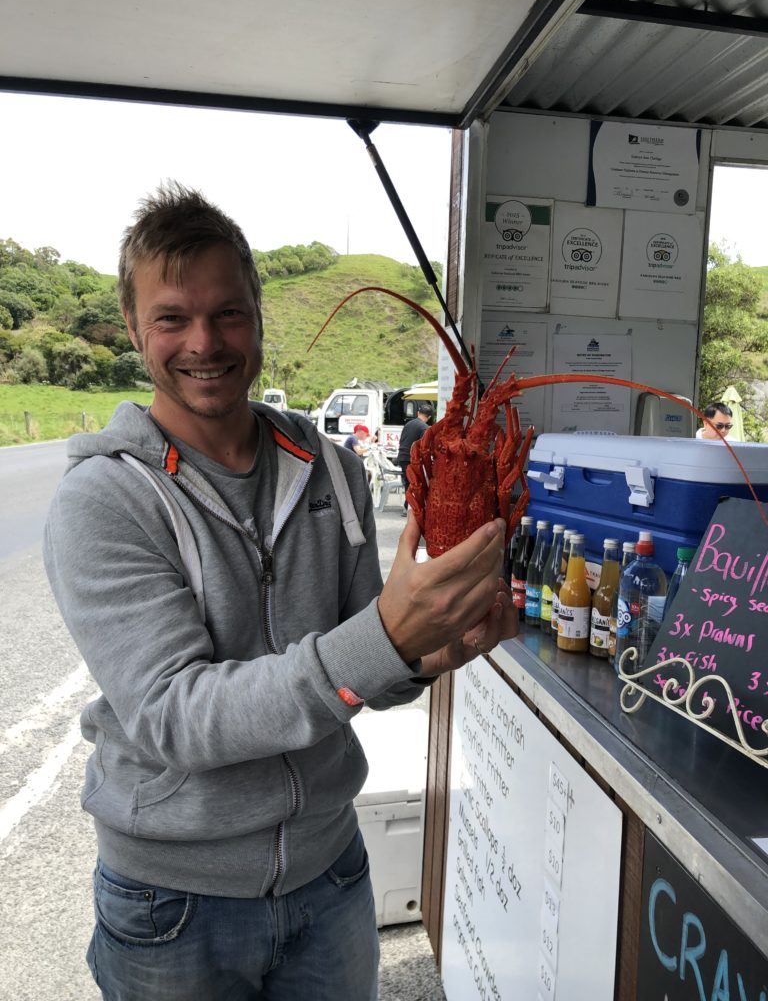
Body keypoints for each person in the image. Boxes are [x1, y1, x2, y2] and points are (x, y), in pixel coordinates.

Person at [43, 182, 517, 1001]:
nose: (204, 342)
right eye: (172, 318)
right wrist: (386, 638)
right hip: (173, 903)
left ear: (259, 316)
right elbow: (175, 715)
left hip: (331, 874)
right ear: (132, 326)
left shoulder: (331, 468)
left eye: (228, 313)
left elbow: (365, 665)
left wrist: (431, 650)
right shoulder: (103, 499)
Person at [396, 403, 433, 514]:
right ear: (429, 417)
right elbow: (424, 447)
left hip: (402, 456)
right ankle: (409, 508)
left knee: (408, 483)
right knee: (414, 484)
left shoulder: (408, 424)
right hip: (412, 459)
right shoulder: (424, 428)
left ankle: (407, 506)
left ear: (418, 413)